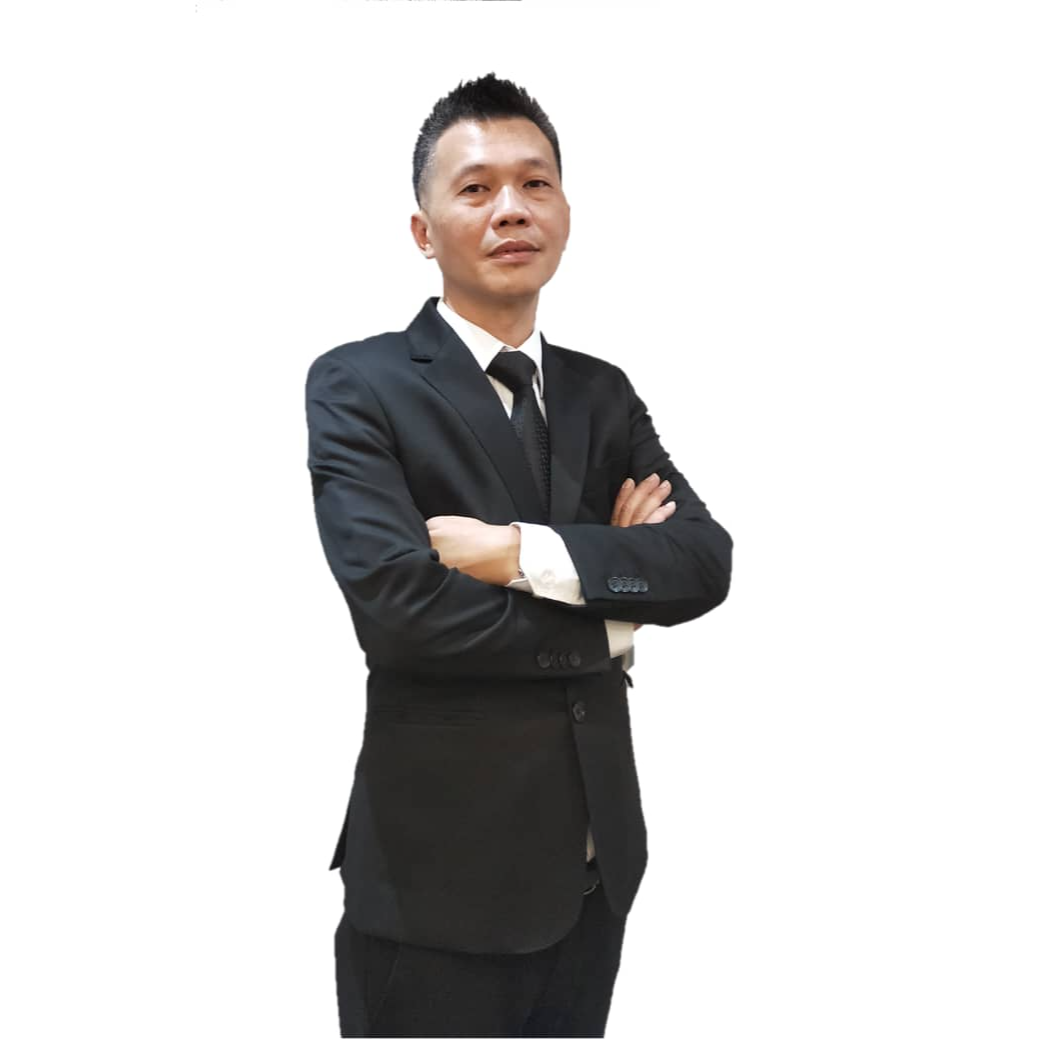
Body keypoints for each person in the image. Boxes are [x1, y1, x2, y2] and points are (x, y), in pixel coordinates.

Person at [305, 72, 733, 1038]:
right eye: (476, 188)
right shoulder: (359, 384)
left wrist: (515, 550)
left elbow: (702, 561)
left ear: (565, 211)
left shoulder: (599, 392)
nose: (511, 208)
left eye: (535, 183)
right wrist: (612, 608)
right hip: (435, 886)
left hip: (593, 868)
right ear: (423, 231)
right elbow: (402, 611)